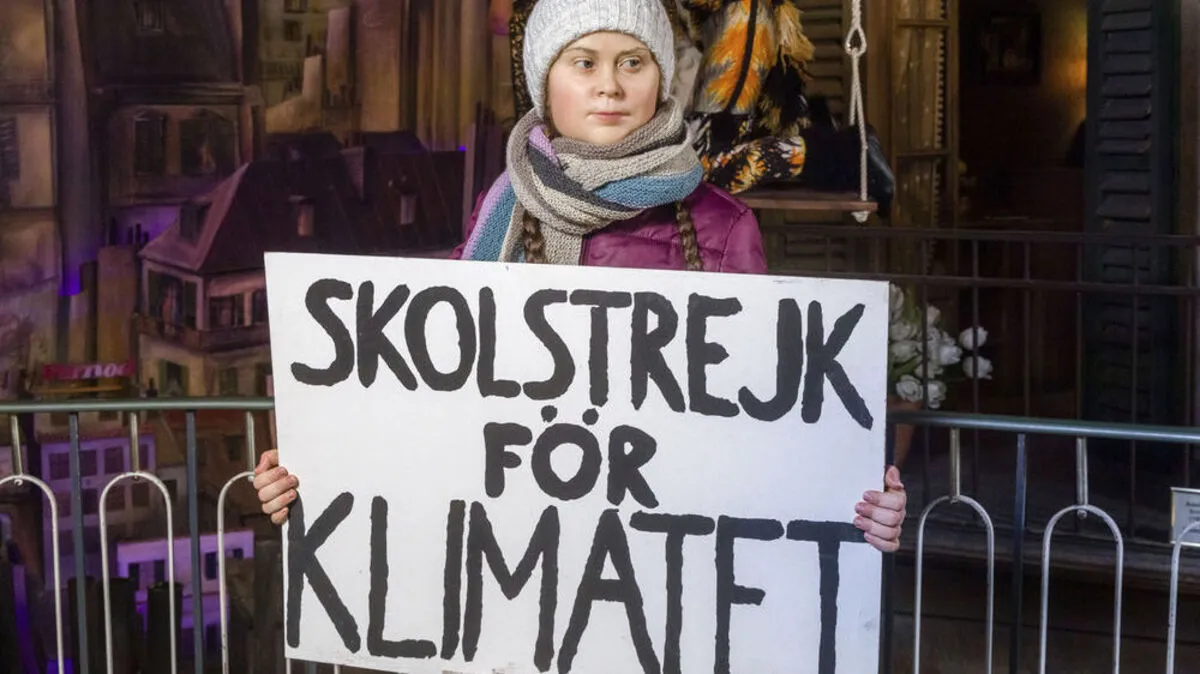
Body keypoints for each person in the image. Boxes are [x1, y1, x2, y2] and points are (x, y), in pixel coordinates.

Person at [253, 0, 906, 553]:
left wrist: (857, 504)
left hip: (658, 557)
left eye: (632, 62)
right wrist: (318, 468)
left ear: (661, 79)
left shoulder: (723, 227)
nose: (609, 87)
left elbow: (769, 420)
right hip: (521, 558)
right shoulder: (499, 211)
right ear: (546, 83)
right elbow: (429, 380)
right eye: (584, 62)